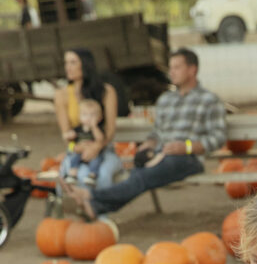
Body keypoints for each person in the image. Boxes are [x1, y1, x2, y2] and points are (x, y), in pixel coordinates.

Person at [62, 48, 227, 220]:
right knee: (138, 173)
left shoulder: (209, 100)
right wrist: (149, 144)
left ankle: (90, 196)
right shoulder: (166, 100)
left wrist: (186, 147)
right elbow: (157, 133)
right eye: (170, 67)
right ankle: (94, 208)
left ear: (192, 70)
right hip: (158, 154)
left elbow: (218, 137)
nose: (171, 72)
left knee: (141, 177)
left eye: (177, 67)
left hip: (188, 158)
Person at [54, 48, 123, 191]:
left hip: (104, 149)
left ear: (85, 65)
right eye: (66, 63)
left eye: (73, 62)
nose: (68, 67)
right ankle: (86, 210)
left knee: (102, 175)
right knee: (78, 175)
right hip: (77, 150)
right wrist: (77, 148)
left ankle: (100, 211)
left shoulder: (107, 91)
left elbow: (110, 130)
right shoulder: (61, 95)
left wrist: (96, 147)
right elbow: (66, 134)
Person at [63, 99, 106, 186]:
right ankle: (72, 174)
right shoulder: (78, 129)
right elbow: (70, 143)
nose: (89, 118)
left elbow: (100, 139)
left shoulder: (98, 129)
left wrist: (94, 127)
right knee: (74, 158)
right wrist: (69, 136)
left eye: (92, 115)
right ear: (79, 117)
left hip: (94, 153)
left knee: (96, 161)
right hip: (80, 151)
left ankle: (92, 176)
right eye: (85, 115)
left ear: (100, 117)